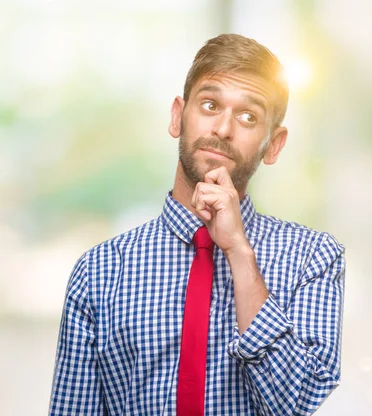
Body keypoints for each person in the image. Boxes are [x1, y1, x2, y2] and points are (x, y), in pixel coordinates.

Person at [49, 33, 345, 416]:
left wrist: (239, 252)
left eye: (248, 116)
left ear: (273, 144)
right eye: (210, 104)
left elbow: (296, 403)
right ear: (178, 116)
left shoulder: (314, 258)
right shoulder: (99, 272)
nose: (223, 129)